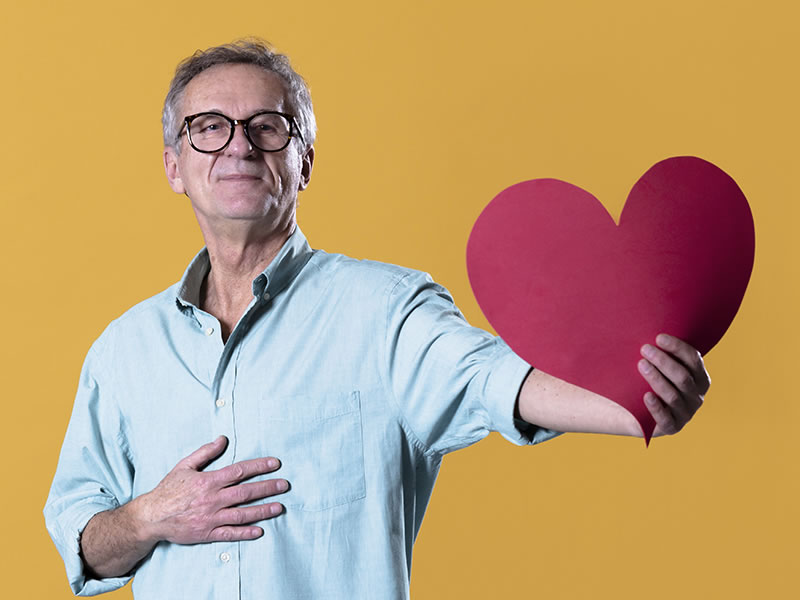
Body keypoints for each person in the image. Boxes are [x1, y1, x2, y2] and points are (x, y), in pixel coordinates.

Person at [44, 39, 709, 599]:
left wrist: (630, 403)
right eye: (209, 127)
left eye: (267, 127)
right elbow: (86, 543)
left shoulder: (385, 311)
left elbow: (489, 380)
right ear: (175, 167)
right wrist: (149, 518)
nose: (239, 146)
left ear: (303, 161)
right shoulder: (122, 351)